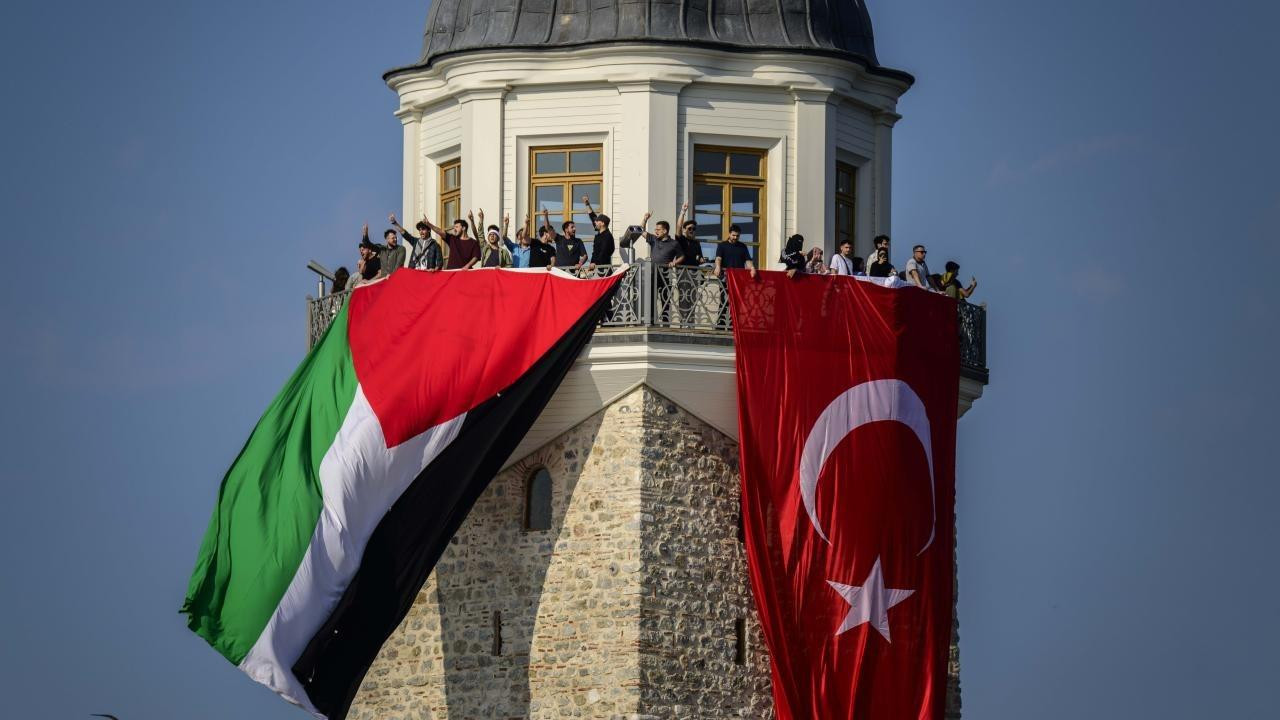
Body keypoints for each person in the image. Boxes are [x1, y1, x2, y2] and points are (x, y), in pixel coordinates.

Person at [712, 224, 757, 327]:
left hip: (739, 279)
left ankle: (734, 324)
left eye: (737, 236)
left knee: (737, 301)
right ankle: (721, 324)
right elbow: (718, 258)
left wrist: (752, 268)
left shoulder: (742, 247)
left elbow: (748, 260)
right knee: (724, 300)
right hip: (725, 277)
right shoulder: (722, 245)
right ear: (729, 234)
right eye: (733, 235)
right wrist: (717, 267)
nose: (735, 237)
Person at [583, 196, 615, 268]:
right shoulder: (600, 234)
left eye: (597, 221)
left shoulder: (607, 236)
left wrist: (596, 263)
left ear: (602, 223)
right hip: (596, 268)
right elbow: (592, 216)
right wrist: (587, 204)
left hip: (603, 269)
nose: (595, 222)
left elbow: (604, 252)